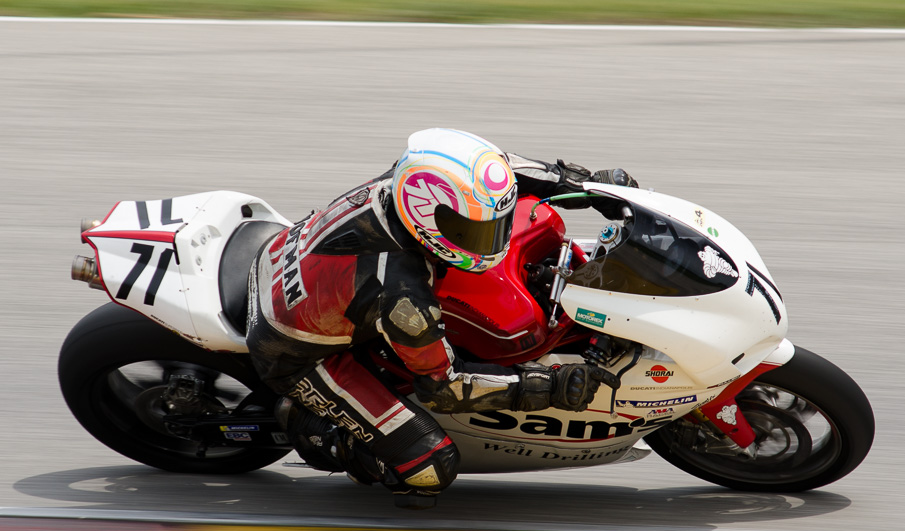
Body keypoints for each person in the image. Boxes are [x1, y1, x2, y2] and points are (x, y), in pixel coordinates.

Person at [246, 128, 637, 508]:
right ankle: (317, 430)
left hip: (292, 267)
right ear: (428, 219)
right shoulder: (400, 293)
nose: (492, 241)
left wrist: (586, 187)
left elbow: (507, 172)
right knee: (430, 466)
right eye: (475, 232)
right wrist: (550, 386)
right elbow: (446, 387)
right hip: (297, 353)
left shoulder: (412, 178)